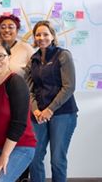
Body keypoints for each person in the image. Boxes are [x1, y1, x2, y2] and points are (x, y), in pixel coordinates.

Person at [0, 39, 36, 182]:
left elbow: (19, 123)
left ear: (9, 57)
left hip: (20, 146)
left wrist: (4, 156)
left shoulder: (16, 82)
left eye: (1, 55)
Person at [26, 20, 78, 182]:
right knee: (34, 157)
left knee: (57, 160)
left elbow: (69, 87)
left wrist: (50, 109)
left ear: (53, 36)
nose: (42, 37)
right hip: (39, 114)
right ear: (34, 37)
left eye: (45, 34)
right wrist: (35, 109)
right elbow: (29, 89)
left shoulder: (63, 55)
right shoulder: (33, 59)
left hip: (62, 113)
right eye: (38, 34)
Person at [0, 14, 35, 182]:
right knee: (3, 141)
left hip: (21, 104)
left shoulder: (26, 49)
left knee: (19, 141)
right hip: (0, 104)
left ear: (17, 29)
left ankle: (22, 178)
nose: (7, 30)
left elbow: (34, 77)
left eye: (11, 26)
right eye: (3, 26)